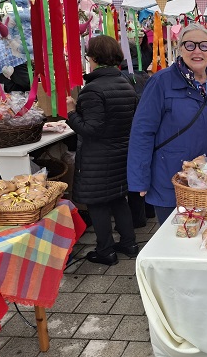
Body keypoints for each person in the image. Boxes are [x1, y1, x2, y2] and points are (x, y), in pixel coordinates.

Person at [127, 23, 207, 224]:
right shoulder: (161, 82)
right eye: (190, 45)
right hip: (173, 182)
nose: (197, 51)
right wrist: (139, 179)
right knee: (177, 237)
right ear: (180, 48)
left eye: (204, 45)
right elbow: (142, 131)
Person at [66, 35, 138, 266]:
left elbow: (91, 129)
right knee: (118, 198)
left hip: (97, 157)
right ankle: (129, 243)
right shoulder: (126, 84)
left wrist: (71, 113)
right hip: (121, 153)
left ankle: (105, 250)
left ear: (94, 58)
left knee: (97, 203)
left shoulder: (92, 90)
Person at [120, 40, 156, 227]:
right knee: (145, 170)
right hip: (147, 130)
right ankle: (149, 211)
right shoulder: (145, 76)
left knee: (135, 174)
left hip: (130, 131)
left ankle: (138, 219)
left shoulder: (123, 77)